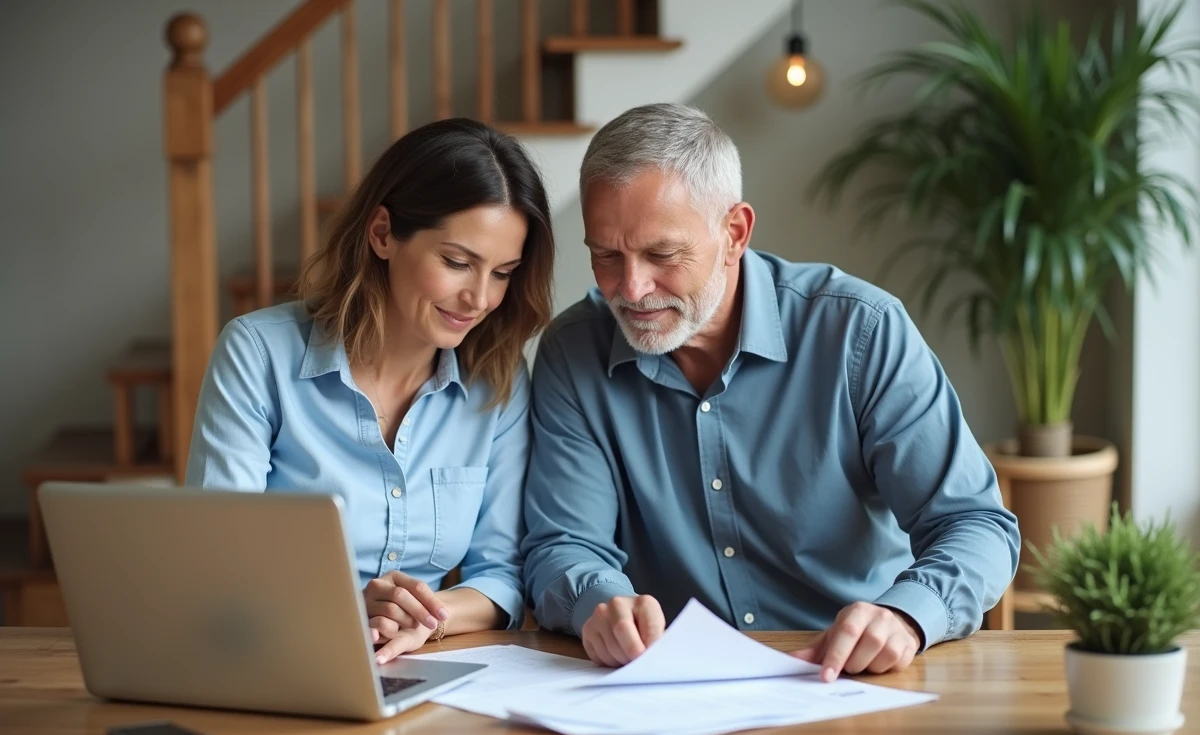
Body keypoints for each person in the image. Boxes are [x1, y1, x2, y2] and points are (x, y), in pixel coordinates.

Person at [521, 103, 1019, 680]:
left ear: (734, 233)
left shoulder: (860, 331)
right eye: (605, 255)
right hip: (674, 690)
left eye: (662, 254)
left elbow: (975, 524)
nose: (630, 288)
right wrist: (597, 603)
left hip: (855, 680)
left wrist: (905, 617)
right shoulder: (573, 351)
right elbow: (563, 543)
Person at [187, 118, 554, 663]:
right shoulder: (258, 354)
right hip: (272, 658)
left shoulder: (496, 381)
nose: (479, 298)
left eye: (503, 273)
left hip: (416, 665)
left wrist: (426, 618)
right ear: (382, 233)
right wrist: (343, 608)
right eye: (457, 263)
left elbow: (500, 574)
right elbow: (220, 562)